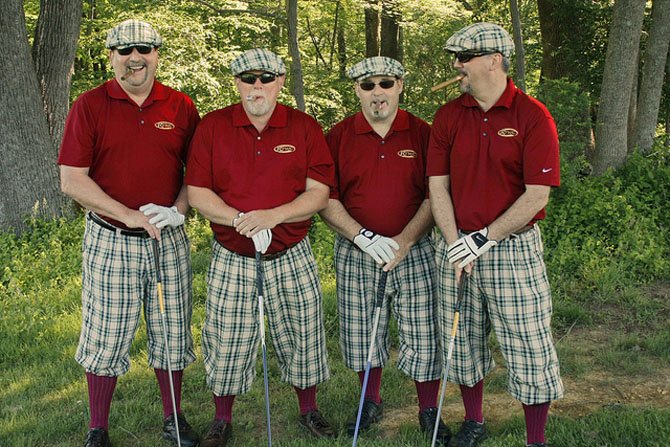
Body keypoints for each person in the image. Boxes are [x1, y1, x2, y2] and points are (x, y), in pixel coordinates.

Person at [58, 19, 201, 447]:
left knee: (172, 330)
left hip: (167, 239)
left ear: (156, 53)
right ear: (111, 57)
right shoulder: (89, 105)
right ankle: (98, 428)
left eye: (143, 48)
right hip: (111, 238)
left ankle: (173, 419)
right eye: (123, 50)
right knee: (106, 334)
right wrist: (130, 215)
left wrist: (178, 209)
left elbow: (198, 174)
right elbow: (72, 180)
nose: (134, 57)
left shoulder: (180, 106)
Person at [185, 48, 336, 447]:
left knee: (303, 331)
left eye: (266, 78)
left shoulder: (303, 126)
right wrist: (241, 220)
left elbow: (319, 193)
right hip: (233, 252)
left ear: (281, 81)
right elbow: (197, 192)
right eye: (248, 78)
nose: (257, 85)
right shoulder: (213, 126)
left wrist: (272, 216)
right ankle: (222, 418)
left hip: (291, 250)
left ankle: (309, 409)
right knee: (226, 335)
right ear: (236, 82)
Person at [427, 23, 565, 447]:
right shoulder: (449, 115)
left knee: (527, 342)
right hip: (454, 245)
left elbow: (536, 194)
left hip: (511, 249)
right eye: (456, 58)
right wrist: (455, 242)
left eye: (464, 58)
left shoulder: (532, 116)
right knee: (462, 340)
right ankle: (474, 422)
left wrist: (484, 238)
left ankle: (535, 439)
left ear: (493, 60)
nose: (457, 66)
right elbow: (437, 185)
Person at [319, 56, 451, 444]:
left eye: (386, 83)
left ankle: (429, 410)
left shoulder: (423, 133)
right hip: (358, 250)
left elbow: (435, 193)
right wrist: (362, 237)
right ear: (356, 90)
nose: (378, 92)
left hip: (414, 249)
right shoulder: (339, 135)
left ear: (400, 86)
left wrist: (406, 240)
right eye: (368, 85)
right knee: (361, 332)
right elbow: (326, 197)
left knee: (424, 331)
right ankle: (369, 403)